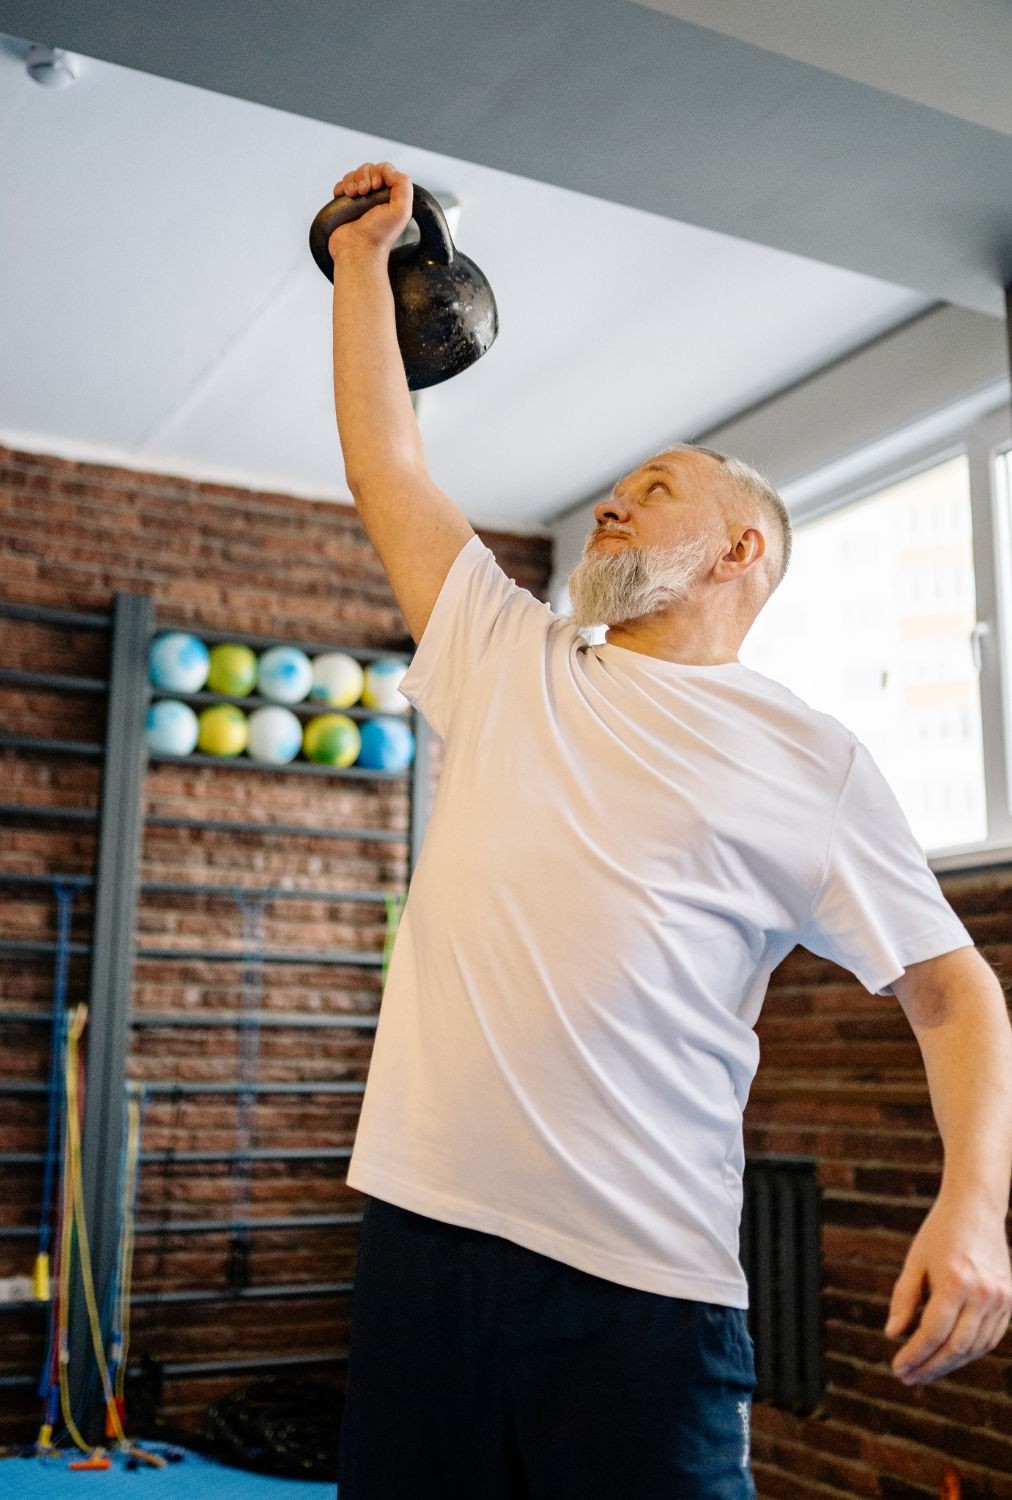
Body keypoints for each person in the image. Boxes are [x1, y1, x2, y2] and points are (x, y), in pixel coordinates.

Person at [327, 161, 1012, 1499]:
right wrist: (363, 271)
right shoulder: (506, 653)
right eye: (615, 490)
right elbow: (385, 462)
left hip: (643, 1295)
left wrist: (974, 1205)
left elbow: (952, 991)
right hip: (423, 1248)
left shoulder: (811, 757)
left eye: (653, 487)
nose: (611, 504)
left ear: (742, 551)